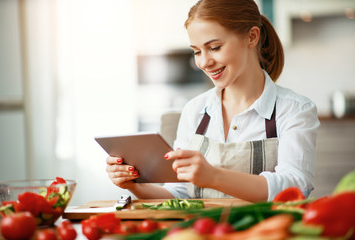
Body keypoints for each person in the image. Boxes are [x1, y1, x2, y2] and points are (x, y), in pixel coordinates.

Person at [106, 0, 320, 202]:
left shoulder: (294, 109)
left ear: (252, 37)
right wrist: (133, 185)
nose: (204, 62)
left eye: (215, 47)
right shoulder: (195, 110)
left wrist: (214, 176)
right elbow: (181, 193)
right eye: (197, 51)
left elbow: (295, 188)